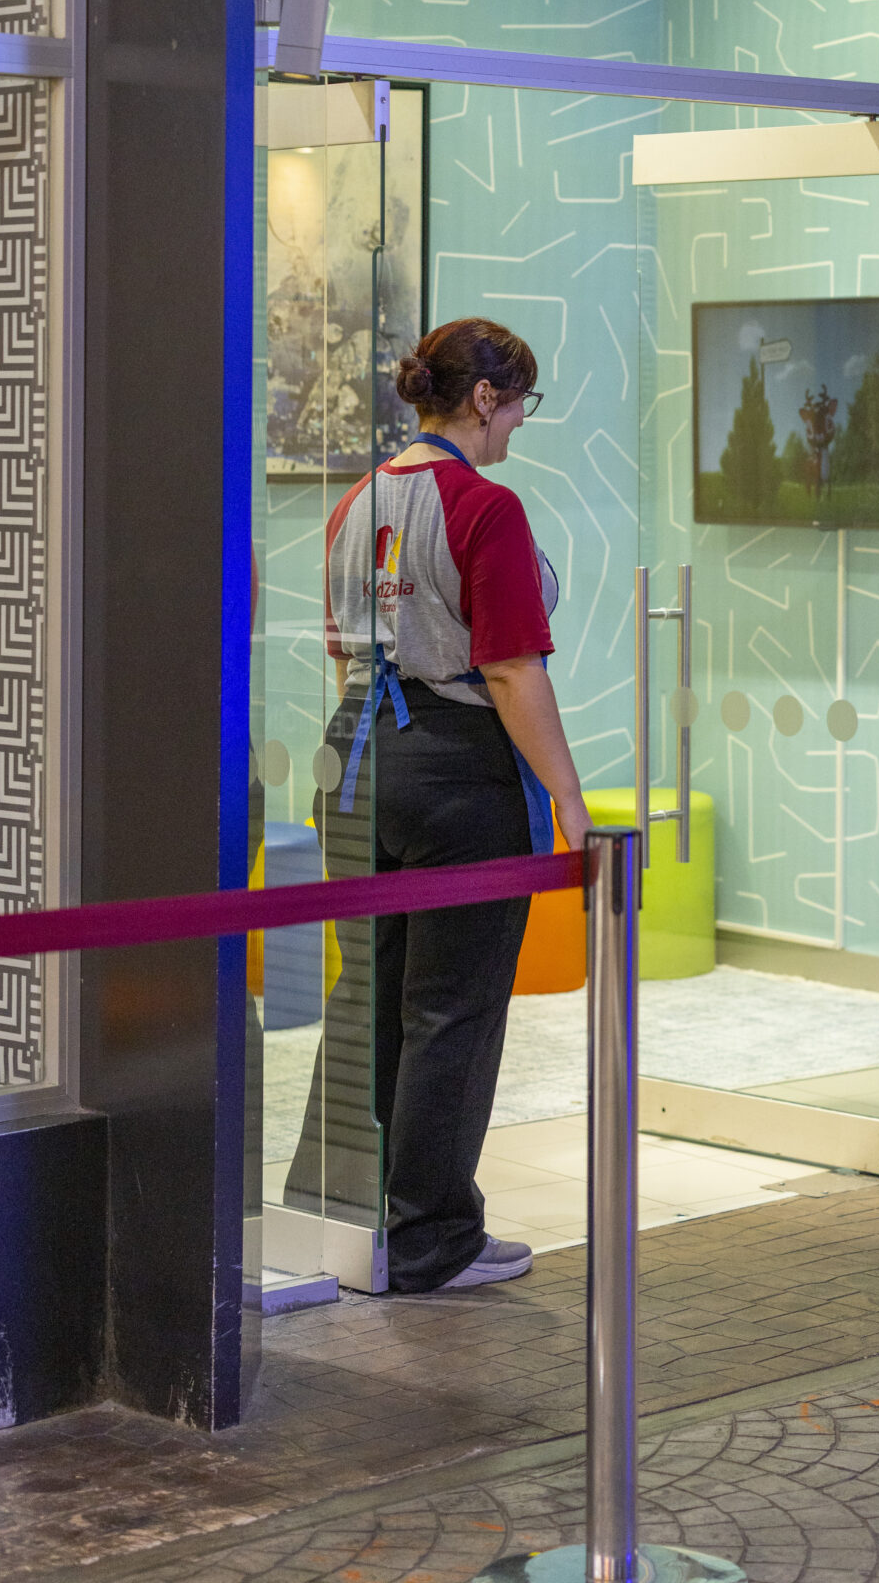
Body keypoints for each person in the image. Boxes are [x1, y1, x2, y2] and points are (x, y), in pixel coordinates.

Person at [286, 316, 593, 1294]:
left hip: (355, 755)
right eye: (520, 403)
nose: (519, 424)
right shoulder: (484, 507)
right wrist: (569, 795)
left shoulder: (356, 502)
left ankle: (341, 1221)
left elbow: (341, 649)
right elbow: (510, 668)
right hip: (458, 769)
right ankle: (431, 1238)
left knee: (367, 998)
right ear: (484, 398)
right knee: (452, 1010)